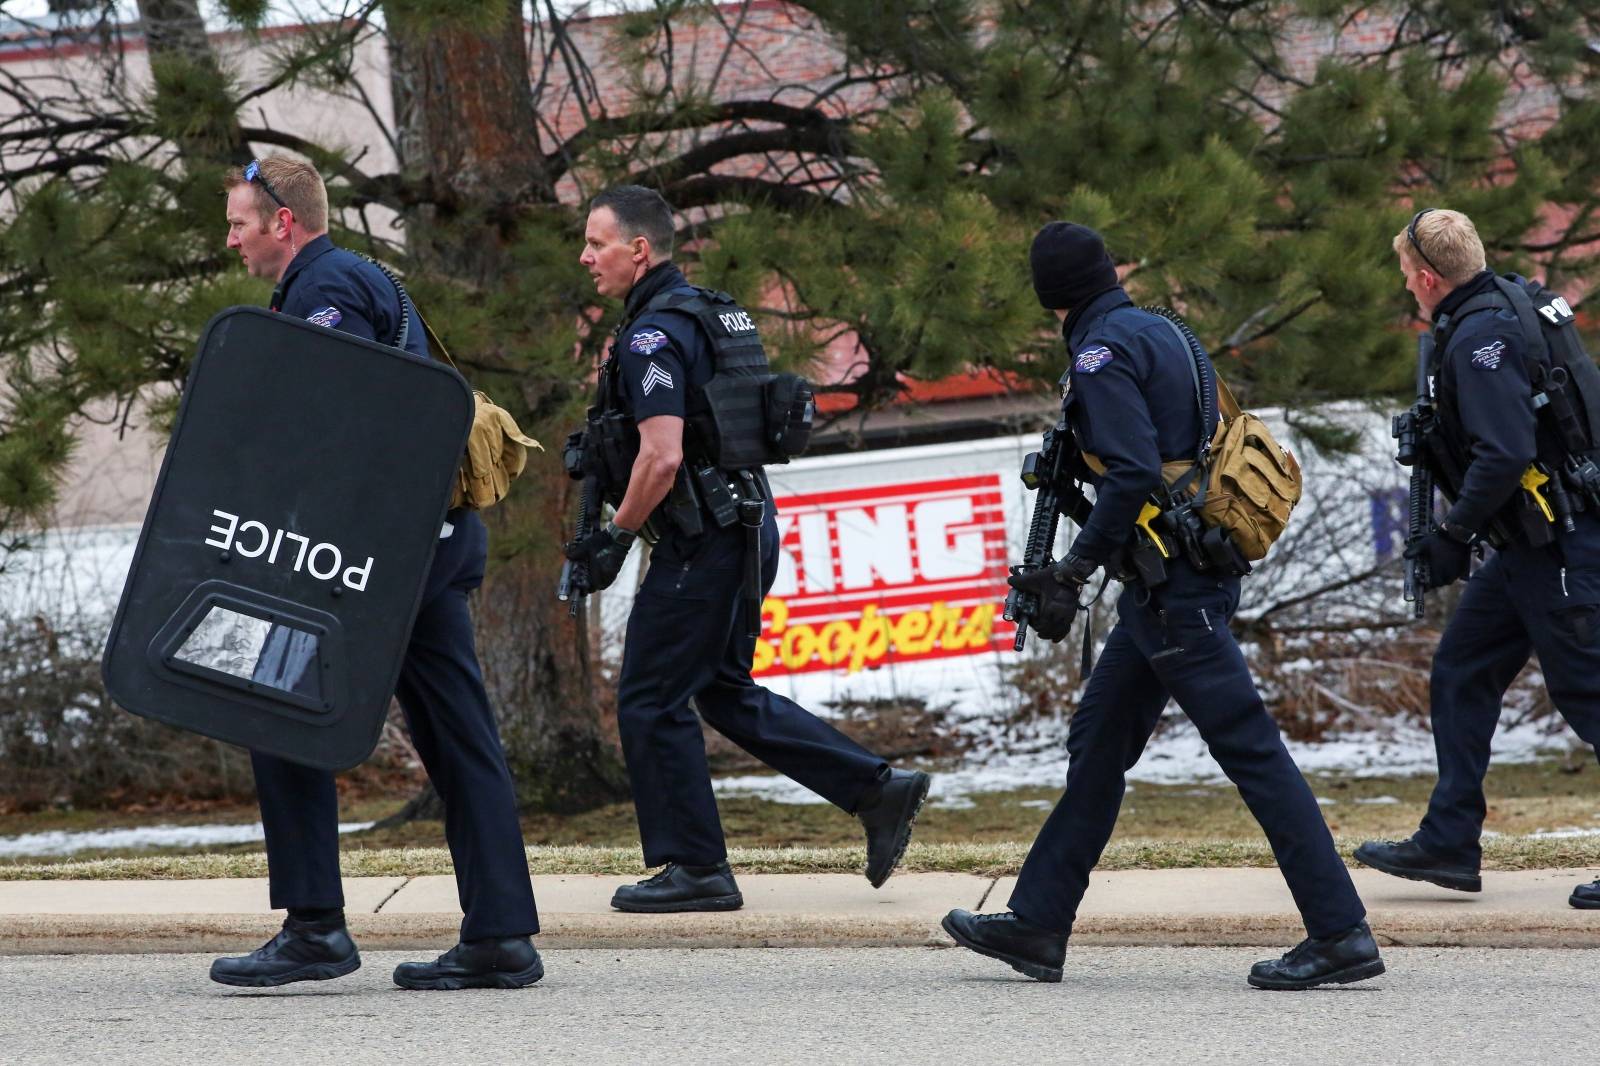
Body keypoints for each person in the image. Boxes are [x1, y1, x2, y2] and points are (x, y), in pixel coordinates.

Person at [942, 222, 1383, 989]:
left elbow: (1134, 469)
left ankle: (1341, 933)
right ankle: (1039, 923)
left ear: (1050, 296)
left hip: (1177, 592)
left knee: (1251, 753)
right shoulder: (1159, 330)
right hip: (1173, 587)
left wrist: (1073, 573)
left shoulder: (1100, 353)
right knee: (1099, 740)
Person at [209, 155, 543, 990]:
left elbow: (343, 423)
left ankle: (316, 927)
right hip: (424, 542)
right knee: (460, 736)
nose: (232, 239)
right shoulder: (355, 277)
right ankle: (501, 935)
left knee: (276, 701)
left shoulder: (326, 291)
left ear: (282, 222)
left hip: (376, 555)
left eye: (239, 223)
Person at [566, 185, 929, 911]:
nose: (585, 257)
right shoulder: (710, 312)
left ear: (639, 250)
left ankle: (696, 868)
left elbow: (660, 456)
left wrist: (616, 537)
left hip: (703, 542)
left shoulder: (649, 337)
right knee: (720, 691)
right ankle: (876, 791)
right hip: (746, 526)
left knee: (648, 698)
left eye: (597, 243)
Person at [1356, 208, 1600, 909]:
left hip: (1561, 543)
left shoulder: (1481, 336)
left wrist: (1452, 533)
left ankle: (1451, 836)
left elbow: (1505, 451)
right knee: (1463, 669)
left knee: (1589, 693)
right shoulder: (1504, 303)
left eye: (1407, 275)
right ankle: (1450, 841)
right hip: (1529, 545)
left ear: (1429, 277)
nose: (1407, 287)